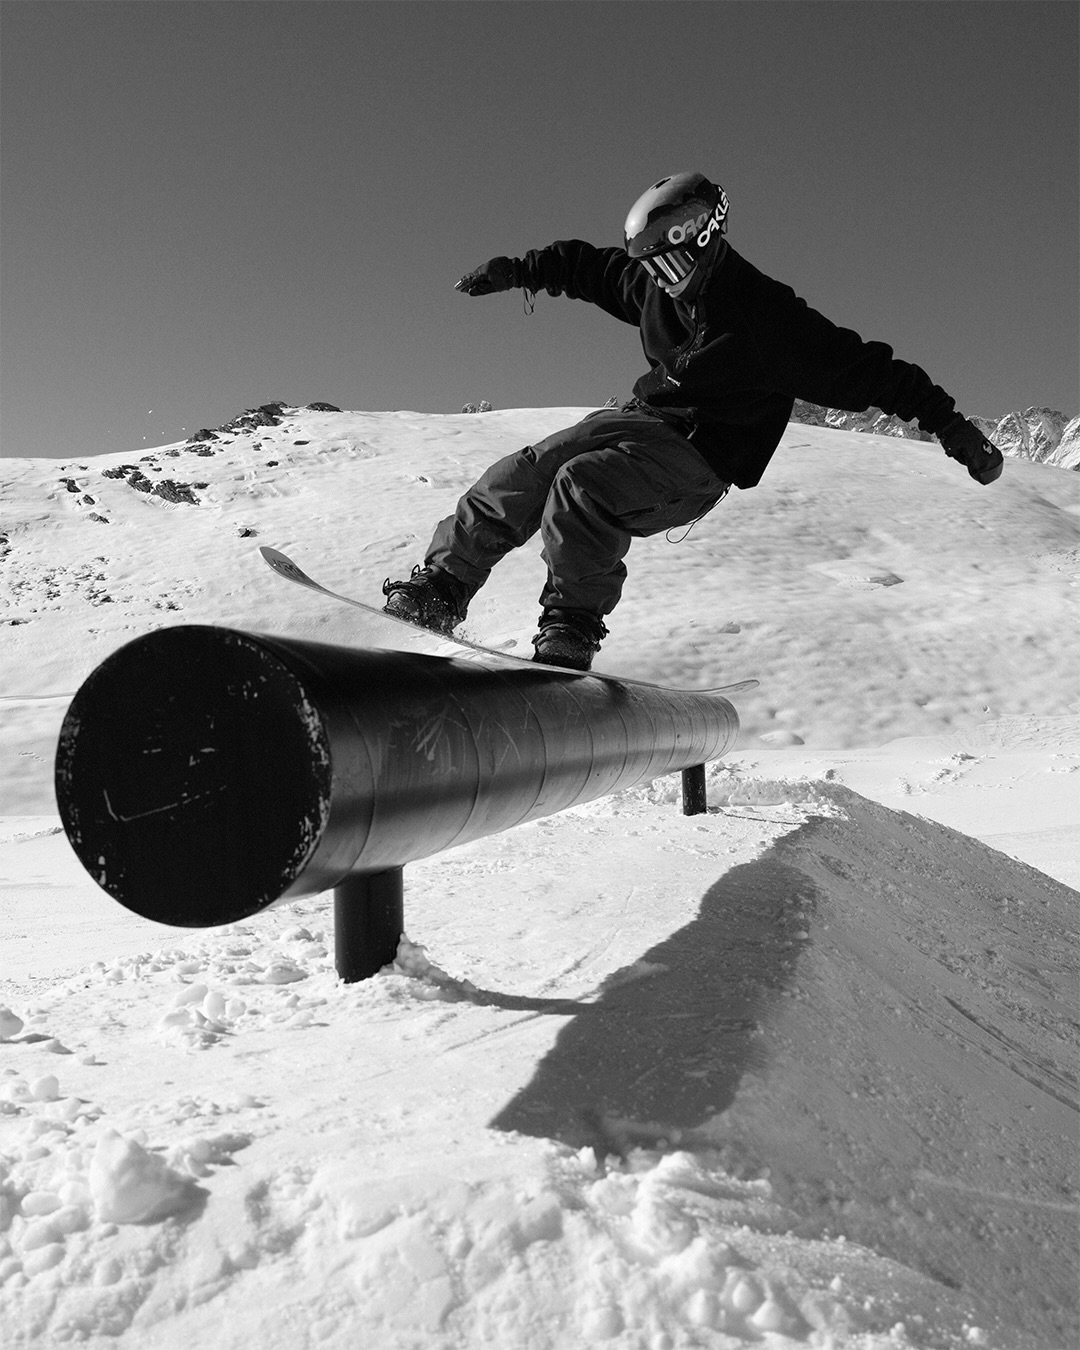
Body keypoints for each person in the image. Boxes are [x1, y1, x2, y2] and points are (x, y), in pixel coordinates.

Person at [383, 172, 1004, 670]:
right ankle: (441, 588)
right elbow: (591, 269)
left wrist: (952, 426)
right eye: (650, 270)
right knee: (529, 469)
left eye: (669, 268)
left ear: (703, 242)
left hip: (701, 457)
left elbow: (877, 371)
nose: (660, 284)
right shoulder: (655, 285)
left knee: (585, 485)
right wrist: (520, 271)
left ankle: (571, 627)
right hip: (643, 420)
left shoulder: (768, 320)